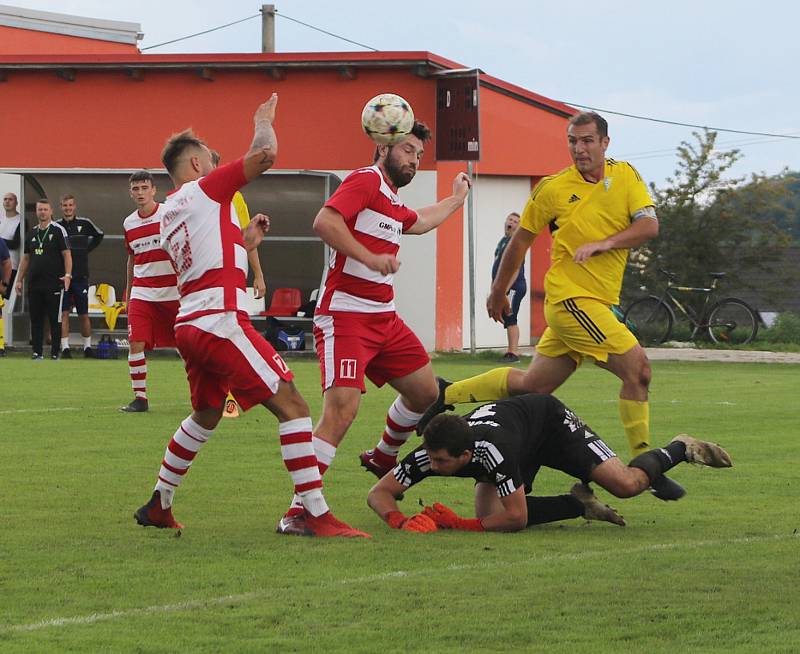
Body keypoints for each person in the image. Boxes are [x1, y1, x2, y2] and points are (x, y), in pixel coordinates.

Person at [418, 111, 685, 502]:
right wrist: (497, 290)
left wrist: (604, 243)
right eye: (573, 141)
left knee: (532, 386)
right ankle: (645, 460)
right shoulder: (553, 189)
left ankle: (449, 393)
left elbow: (650, 226)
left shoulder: (625, 175)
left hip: (594, 302)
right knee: (638, 370)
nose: (580, 149)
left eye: (588, 140)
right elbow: (520, 242)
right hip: (572, 300)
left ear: (605, 143)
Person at [133, 93, 366, 538]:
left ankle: (159, 502)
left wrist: (246, 239)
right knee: (295, 407)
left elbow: (207, 254)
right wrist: (262, 121)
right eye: (209, 157)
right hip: (220, 320)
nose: (216, 162)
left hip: (191, 324)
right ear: (197, 165)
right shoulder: (205, 189)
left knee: (205, 414)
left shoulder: (167, 214)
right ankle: (314, 514)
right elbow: (266, 155)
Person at [276, 119, 472, 535]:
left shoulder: (390, 197)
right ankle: (298, 511)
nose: (414, 160)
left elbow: (418, 222)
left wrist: (456, 200)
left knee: (426, 391)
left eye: (419, 154)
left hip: (383, 316)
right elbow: (325, 223)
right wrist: (367, 257)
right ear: (383, 146)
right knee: (341, 412)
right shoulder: (366, 180)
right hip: (346, 315)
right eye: (407, 151)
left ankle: (383, 456)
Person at [368, 394, 732, 532]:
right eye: (429, 458)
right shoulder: (435, 450)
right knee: (488, 512)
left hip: (549, 424)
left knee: (626, 486)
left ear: (465, 458)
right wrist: (400, 520)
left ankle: (681, 448)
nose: (431, 465)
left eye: (440, 462)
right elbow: (379, 493)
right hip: (517, 435)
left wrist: (454, 524)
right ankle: (578, 504)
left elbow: (517, 518)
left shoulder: (493, 453)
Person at [209, 149, 268, 420]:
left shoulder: (235, 198)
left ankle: (231, 397)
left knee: (230, 335)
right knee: (209, 339)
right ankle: (213, 396)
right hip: (203, 283)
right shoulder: (191, 196)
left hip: (230, 279)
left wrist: (258, 275)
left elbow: (246, 238)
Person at [120, 171, 180, 413]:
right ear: (131, 192)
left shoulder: (169, 214)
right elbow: (131, 260)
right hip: (143, 292)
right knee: (135, 342)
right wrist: (128, 291)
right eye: (136, 189)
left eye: (145, 187)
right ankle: (140, 398)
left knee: (188, 347)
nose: (140, 193)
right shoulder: (128, 223)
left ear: (154, 190)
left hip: (174, 292)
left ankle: (207, 395)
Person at [14, 199, 72, 360]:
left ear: (51, 211)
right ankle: (37, 352)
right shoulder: (32, 233)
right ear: (37, 211)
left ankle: (55, 352)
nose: (42, 212)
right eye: (40, 209)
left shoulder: (58, 230)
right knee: (36, 319)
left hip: (54, 282)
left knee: (55, 319)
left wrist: (68, 275)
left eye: (45, 209)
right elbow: (26, 258)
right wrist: (19, 280)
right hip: (34, 283)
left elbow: (67, 254)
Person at [56, 194, 104, 358]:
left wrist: (85, 250)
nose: (67, 208)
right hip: (63, 277)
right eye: (64, 205)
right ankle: (65, 348)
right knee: (64, 313)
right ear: (60, 207)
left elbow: (99, 235)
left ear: (74, 206)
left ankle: (87, 347)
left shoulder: (85, 223)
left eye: (70, 205)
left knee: (83, 312)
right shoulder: (57, 227)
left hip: (81, 276)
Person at [492, 211, 526, 363]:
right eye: (510, 219)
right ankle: (510, 351)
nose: (511, 222)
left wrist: (505, 288)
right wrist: (494, 289)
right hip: (503, 287)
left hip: (514, 286)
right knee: (507, 316)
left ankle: (514, 353)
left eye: (515, 221)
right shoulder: (503, 241)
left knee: (510, 316)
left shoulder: (516, 243)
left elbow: (516, 268)